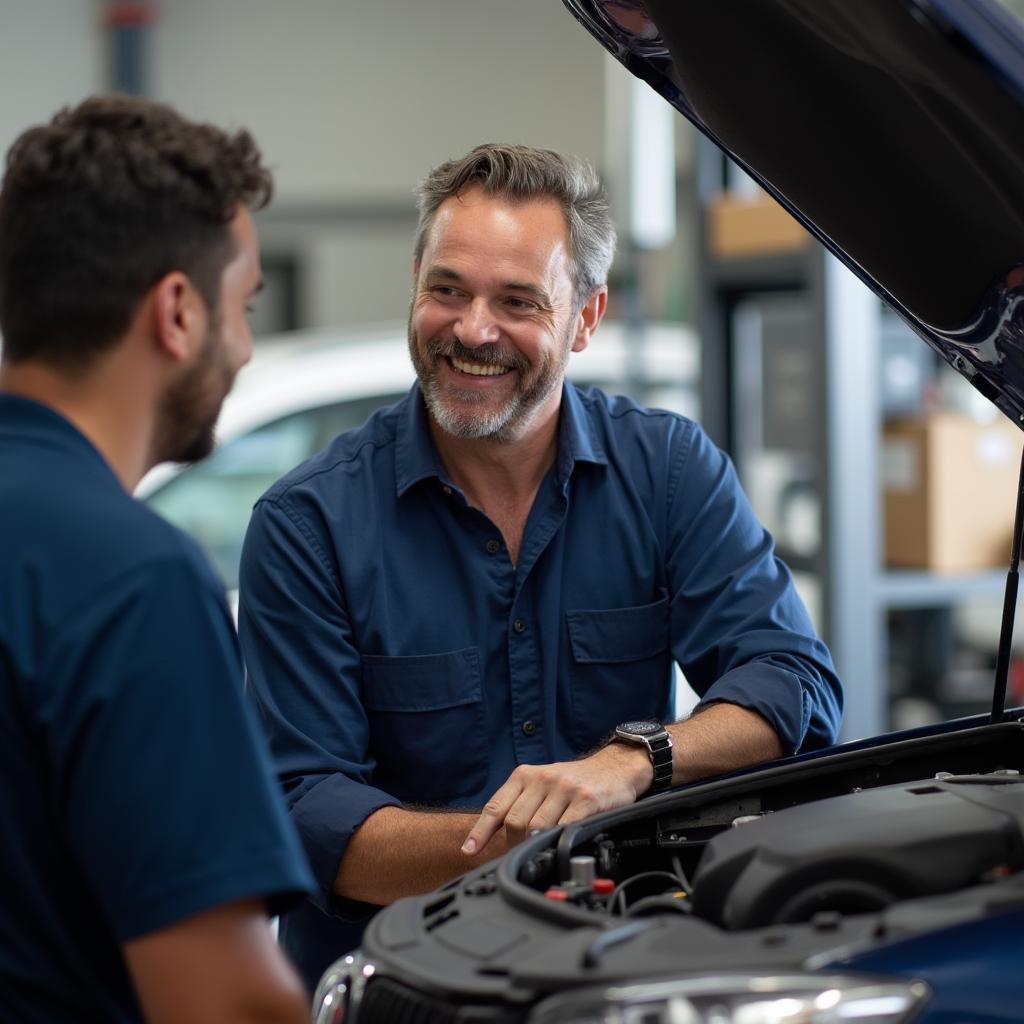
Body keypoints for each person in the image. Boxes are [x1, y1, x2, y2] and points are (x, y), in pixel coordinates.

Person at [239, 143, 843, 989]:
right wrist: (548, 839)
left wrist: (634, 763)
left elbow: (793, 685)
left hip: (614, 979)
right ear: (414, 279)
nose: (474, 329)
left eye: (517, 301)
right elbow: (305, 819)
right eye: (447, 288)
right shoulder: (308, 524)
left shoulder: (668, 473)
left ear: (585, 319)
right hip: (402, 993)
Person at [0, 96, 316, 1024]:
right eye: (243, 305)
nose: (247, 346)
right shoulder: (132, 579)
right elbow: (225, 1007)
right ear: (177, 311)